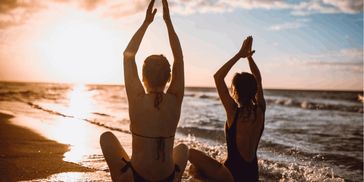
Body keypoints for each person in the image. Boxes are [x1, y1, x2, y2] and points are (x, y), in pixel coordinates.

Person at [99, 0, 187, 181]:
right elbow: (179, 58)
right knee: (183, 149)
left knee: (106, 137)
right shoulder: (175, 98)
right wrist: (168, 21)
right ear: (169, 78)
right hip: (168, 177)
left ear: (143, 78)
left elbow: (128, 55)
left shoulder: (137, 98)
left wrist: (146, 22)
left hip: (136, 177)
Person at [188, 36, 266, 182]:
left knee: (189, 154)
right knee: (209, 166)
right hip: (252, 176)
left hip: (231, 176)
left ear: (235, 91)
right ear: (254, 90)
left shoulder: (233, 111)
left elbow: (218, 77)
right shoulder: (260, 111)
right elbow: (259, 79)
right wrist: (249, 58)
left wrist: (240, 54)